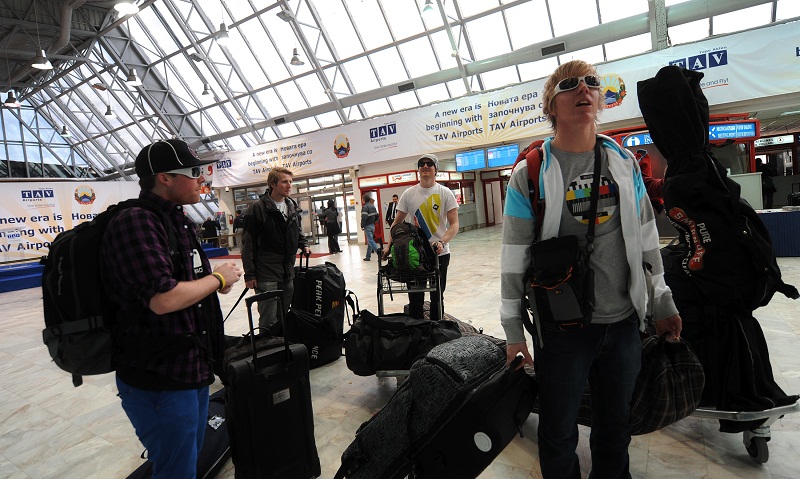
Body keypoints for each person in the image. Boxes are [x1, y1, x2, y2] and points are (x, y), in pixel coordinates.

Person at [499, 60, 682, 479]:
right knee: (559, 431)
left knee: (615, 427)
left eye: (591, 83)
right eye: (569, 85)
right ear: (551, 103)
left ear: (600, 99)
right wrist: (513, 332)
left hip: (622, 325)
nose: (583, 89)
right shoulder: (530, 173)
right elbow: (513, 259)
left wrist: (662, 300)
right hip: (562, 329)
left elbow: (648, 240)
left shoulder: (623, 163)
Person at [101, 139, 243, 479]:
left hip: (191, 368)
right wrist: (218, 280)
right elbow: (162, 299)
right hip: (159, 377)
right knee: (175, 470)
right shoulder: (136, 222)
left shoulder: (177, 222)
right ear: (164, 178)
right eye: (194, 172)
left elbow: (187, 287)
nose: (202, 180)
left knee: (187, 461)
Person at [385, 154, 459, 320]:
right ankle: (417, 333)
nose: (425, 166)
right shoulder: (408, 194)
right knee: (415, 297)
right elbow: (396, 225)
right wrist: (388, 247)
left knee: (437, 297)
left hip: (439, 253)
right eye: (422, 164)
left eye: (429, 164)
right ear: (418, 170)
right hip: (415, 254)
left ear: (436, 169)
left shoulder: (445, 193)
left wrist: (442, 241)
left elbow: (454, 225)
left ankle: (436, 331)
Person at [241, 167, 310, 329]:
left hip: (287, 270)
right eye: (284, 182)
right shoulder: (258, 208)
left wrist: (304, 244)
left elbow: (297, 231)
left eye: (290, 182)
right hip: (266, 271)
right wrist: (249, 274)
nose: (289, 185)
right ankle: (267, 348)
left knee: (283, 316)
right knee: (268, 318)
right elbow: (248, 242)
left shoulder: (292, 206)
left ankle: (281, 347)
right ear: (272, 184)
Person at [361, 194, 382, 261]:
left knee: (370, 240)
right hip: (373, 225)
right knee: (370, 240)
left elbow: (364, 218)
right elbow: (377, 216)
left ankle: (380, 253)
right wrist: (374, 222)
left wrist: (362, 225)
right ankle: (368, 256)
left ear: (363, 200)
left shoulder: (365, 207)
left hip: (367, 225)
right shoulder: (372, 206)